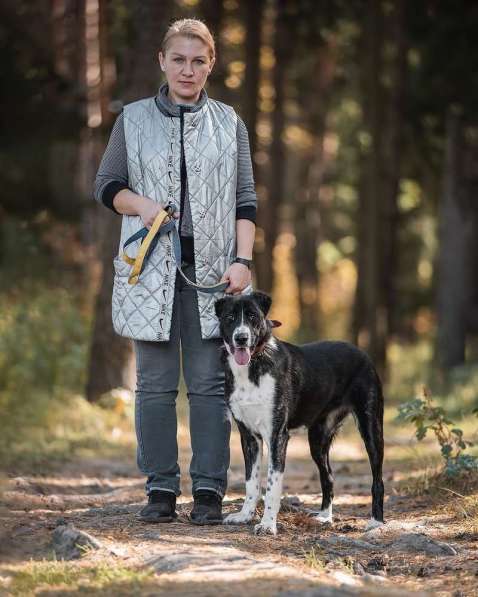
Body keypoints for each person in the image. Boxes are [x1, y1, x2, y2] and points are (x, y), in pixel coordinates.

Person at [94, 18, 257, 524]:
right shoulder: (133, 119)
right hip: (149, 271)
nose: (189, 70)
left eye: (199, 61)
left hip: (213, 275)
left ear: (211, 66)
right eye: (179, 59)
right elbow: (106, 186)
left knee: (209, 383)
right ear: (162, 62)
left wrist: (242, 260)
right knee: (155, 385)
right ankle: (160, 489)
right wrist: (141, 204)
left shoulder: (230, 123)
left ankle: (209, 491)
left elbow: (245, 201)